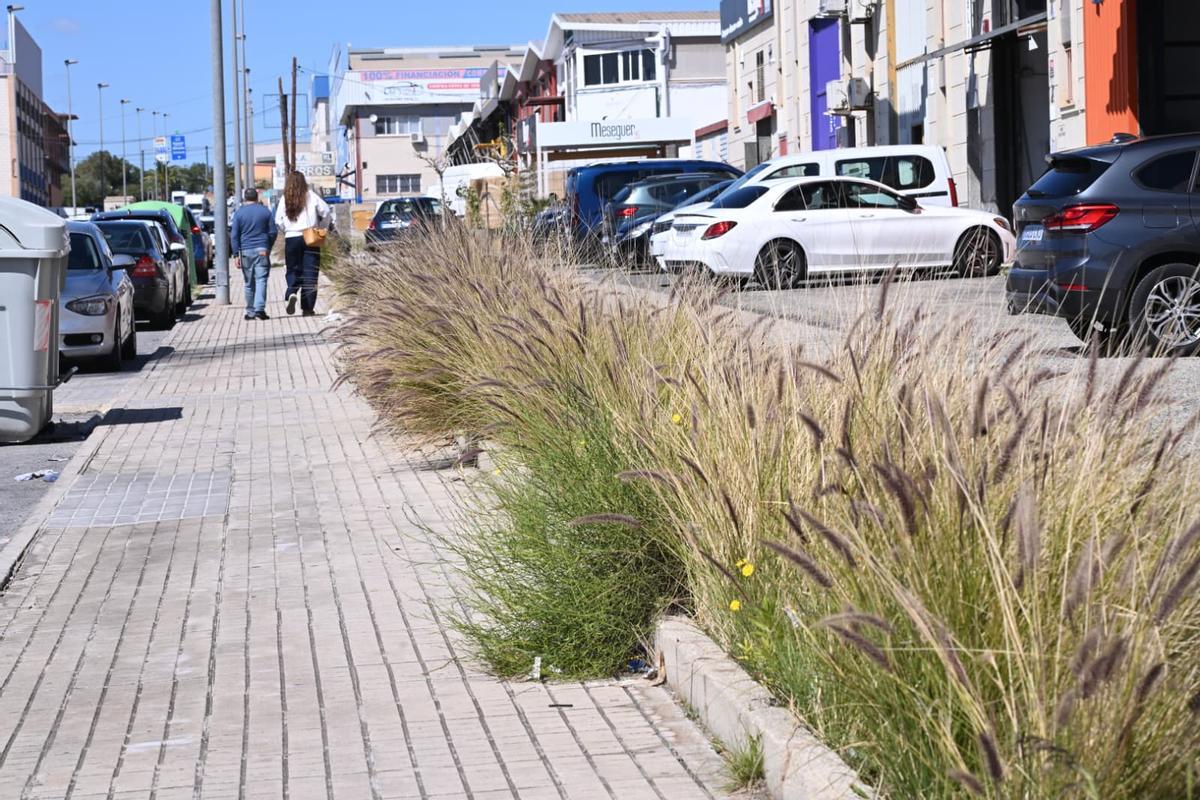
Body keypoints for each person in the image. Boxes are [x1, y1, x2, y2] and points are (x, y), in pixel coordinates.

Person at [274, 171, 331, 316]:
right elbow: (326, 211)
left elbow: (278, 220)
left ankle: (292, 291)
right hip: (310, 236)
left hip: (292, 237)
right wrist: (322, 227)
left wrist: (286, 230)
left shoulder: (285, 198)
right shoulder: (311, 195)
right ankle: (307, 308)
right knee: (310, 273)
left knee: (293, 269)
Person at [229, 187, 277, 320]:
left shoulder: (239, 214)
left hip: (245, 251)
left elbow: (234, 236)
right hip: (262, 250)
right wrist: (268, 247)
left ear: (245, 198)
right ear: (257, 198)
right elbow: (273, 232)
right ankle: (260, 309)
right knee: (261, 280)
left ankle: (250, 311)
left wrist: (235, 254)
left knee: (249, 283)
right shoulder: (265, 211)